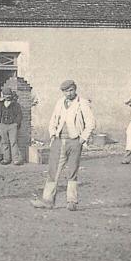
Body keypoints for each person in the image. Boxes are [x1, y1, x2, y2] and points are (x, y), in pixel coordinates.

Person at [31, 80, 96, 211]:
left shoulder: (82, 103)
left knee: (72, 171)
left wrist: (82, 139)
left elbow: (91, 123)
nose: (69, 93)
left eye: (71, 90)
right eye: (66, 91)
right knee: (53, 170)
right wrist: (53, 135)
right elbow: (53, 120)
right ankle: (48, 200)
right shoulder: (60, 102)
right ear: (63, 92)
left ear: (75, 89)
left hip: (74, 141)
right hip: (59, 141)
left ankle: (72, 201)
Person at [0, 87, 24, 165]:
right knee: (4, 142)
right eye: (5, 95)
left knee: (13, 142)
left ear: (11, 95)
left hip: (12, 125)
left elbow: (19, 115)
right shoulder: (1, 104)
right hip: (2, 125)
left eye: (9, 95)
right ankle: (6, 159)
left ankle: (15, 159)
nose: (7, 96)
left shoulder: (16, 104)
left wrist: (16, 123)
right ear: (3, 95)